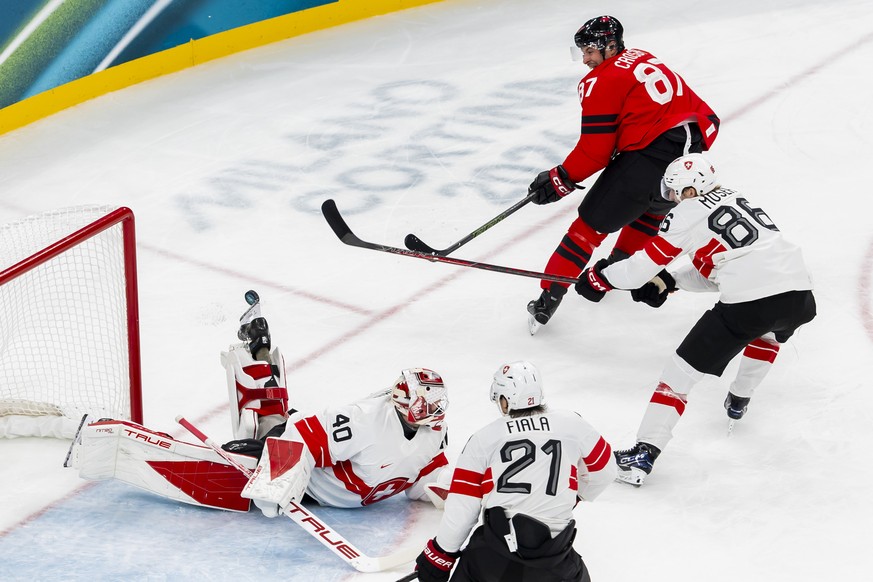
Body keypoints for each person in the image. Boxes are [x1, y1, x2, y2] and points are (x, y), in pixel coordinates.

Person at [67, 295, 451, 513]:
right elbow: (298, 436)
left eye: (433, 408)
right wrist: (276, 487)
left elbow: (421, 477)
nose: (431, 415)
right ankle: (105, 439)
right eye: (423, 406)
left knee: (272, 417)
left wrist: (459, 499)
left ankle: (257, 339)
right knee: (228, 469)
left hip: (321, 481)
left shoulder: (435, 432)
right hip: (308, 480)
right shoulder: (365, 420)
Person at [574, 153, 816, 486]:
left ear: (690, 192)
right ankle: (740, 399)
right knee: (769, 333)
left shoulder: (686, 213)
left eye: (674, 192)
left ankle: (642, 456)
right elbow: (722, 267)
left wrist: (602, 276)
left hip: (751, 300)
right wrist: (669, 281)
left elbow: (636, 271)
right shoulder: (734, 197)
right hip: (800, 294)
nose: (670, 199)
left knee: (678, 375)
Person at [526, 15, 720, 334]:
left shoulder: (600, 80)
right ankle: (617, 271)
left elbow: (596, 150)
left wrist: (560, 177)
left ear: (611, 46)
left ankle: (549, 298)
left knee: (586, 228)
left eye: (590, 51)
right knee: (648, 215)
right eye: (582, 52)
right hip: (688, 158)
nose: (586, 60)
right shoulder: (642, 56)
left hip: (650, 157)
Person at [413, 361, 615, 582]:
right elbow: (606, 470)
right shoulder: (573, 424)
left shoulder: (484, 438)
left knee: (479, 559)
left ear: (504, 400)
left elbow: (463, 508)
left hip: (494, 562)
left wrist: (440, 555)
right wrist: (575, 496)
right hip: (556, 562)